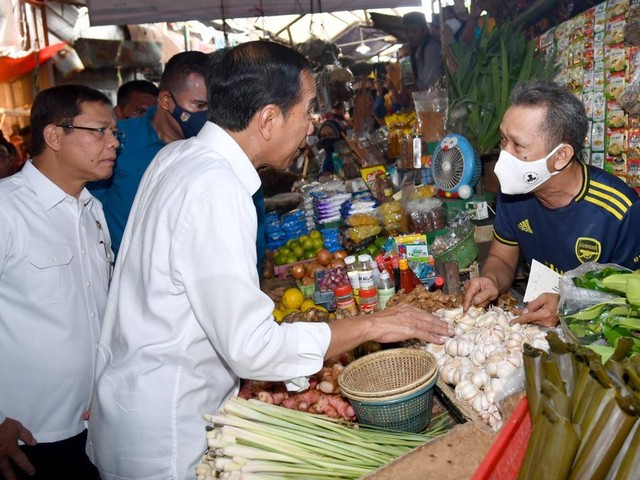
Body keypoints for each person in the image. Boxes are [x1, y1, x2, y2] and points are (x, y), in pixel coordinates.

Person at [88, 40, 454, 480]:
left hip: (134, 403)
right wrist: (373, 325)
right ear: (268, 119)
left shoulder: (178, 157)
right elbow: (252, 348)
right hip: (169, 433)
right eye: (307, 111)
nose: (311, 126)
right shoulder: (215, 189)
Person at [0, 84, 118, 480]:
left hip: (91, 422)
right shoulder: (7, 211)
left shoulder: (92, 209)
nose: (113, 142)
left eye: (113, 132)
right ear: (54, 135)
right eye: (99, 131)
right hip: (25, 435)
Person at [463, 80, 640, 326]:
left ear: (560, 157)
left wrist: (570, 308)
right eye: (503, 140)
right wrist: (491, 279)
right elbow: (502, 259)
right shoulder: (514, 192)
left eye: (518, 145)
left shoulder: (620, 211)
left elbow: (631, 301)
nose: (505, 155)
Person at [89, 51, 209, 255]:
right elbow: (90, 209)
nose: (206, 115)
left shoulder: (211, 145)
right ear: (165, 100)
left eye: (210, 107)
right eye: (199, 105)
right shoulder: (117, 140)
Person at [402, 11, 443, 91]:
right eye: (407, 31)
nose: (410, 35)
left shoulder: (431, 48)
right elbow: (407, 85)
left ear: (424, 30)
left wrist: (405, 60)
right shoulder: (408, 49)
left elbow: (430, 87)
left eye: (414, 30)